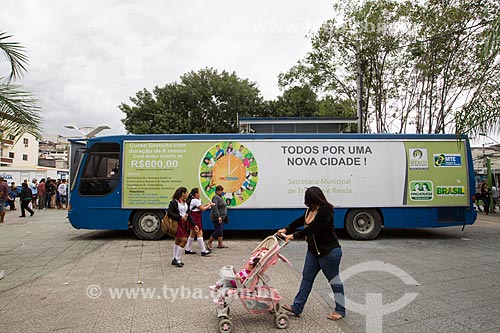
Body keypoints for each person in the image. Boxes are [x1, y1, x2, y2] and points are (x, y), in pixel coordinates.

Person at [277, 186, 345, 321]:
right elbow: (300, 221)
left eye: (310, 200)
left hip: (329, 252)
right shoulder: (311, 209)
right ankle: (297, 307)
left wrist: (293, 236)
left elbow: (314, 229)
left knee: (334, 281)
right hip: (313, 251)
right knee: (307, 278)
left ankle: (340, 310)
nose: (308, 203)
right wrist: (286, 228)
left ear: (315, 199)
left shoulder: (326, 211)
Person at [167, 187, 197, 268]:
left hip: (184, 223)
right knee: (184, 240)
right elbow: (170, 213)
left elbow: (188, 214)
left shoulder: (185, 202)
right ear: (183, 193)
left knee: (177, 241)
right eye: (186, 192)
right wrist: (180, 217)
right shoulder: (174, 202)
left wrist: (194, 225)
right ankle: (177, 258)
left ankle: (174, 258)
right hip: (178, 223)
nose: (187, 194)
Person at [184, 188, 214, 257]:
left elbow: (199, 207)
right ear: (196, 194)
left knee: (192, 234)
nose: (199, 194)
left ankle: (188, 249)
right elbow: (202, 209)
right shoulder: (196, 200)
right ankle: (203, 250)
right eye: (199, 193)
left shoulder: (192, 200)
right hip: (196, 218)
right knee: (200, 233)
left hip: (192, 218)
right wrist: (210, 205)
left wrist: (208, 204)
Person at [207, 185, 228, 249]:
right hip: (217, 217)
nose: (222, 192)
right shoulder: (215, 197)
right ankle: (209, 242)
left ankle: (220, 243)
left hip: (222, 217)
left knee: (220, 230)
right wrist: (218, 216)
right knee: (218, 230)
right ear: (218, 191)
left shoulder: (220, 197)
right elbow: (214, 207)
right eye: (221, 191)